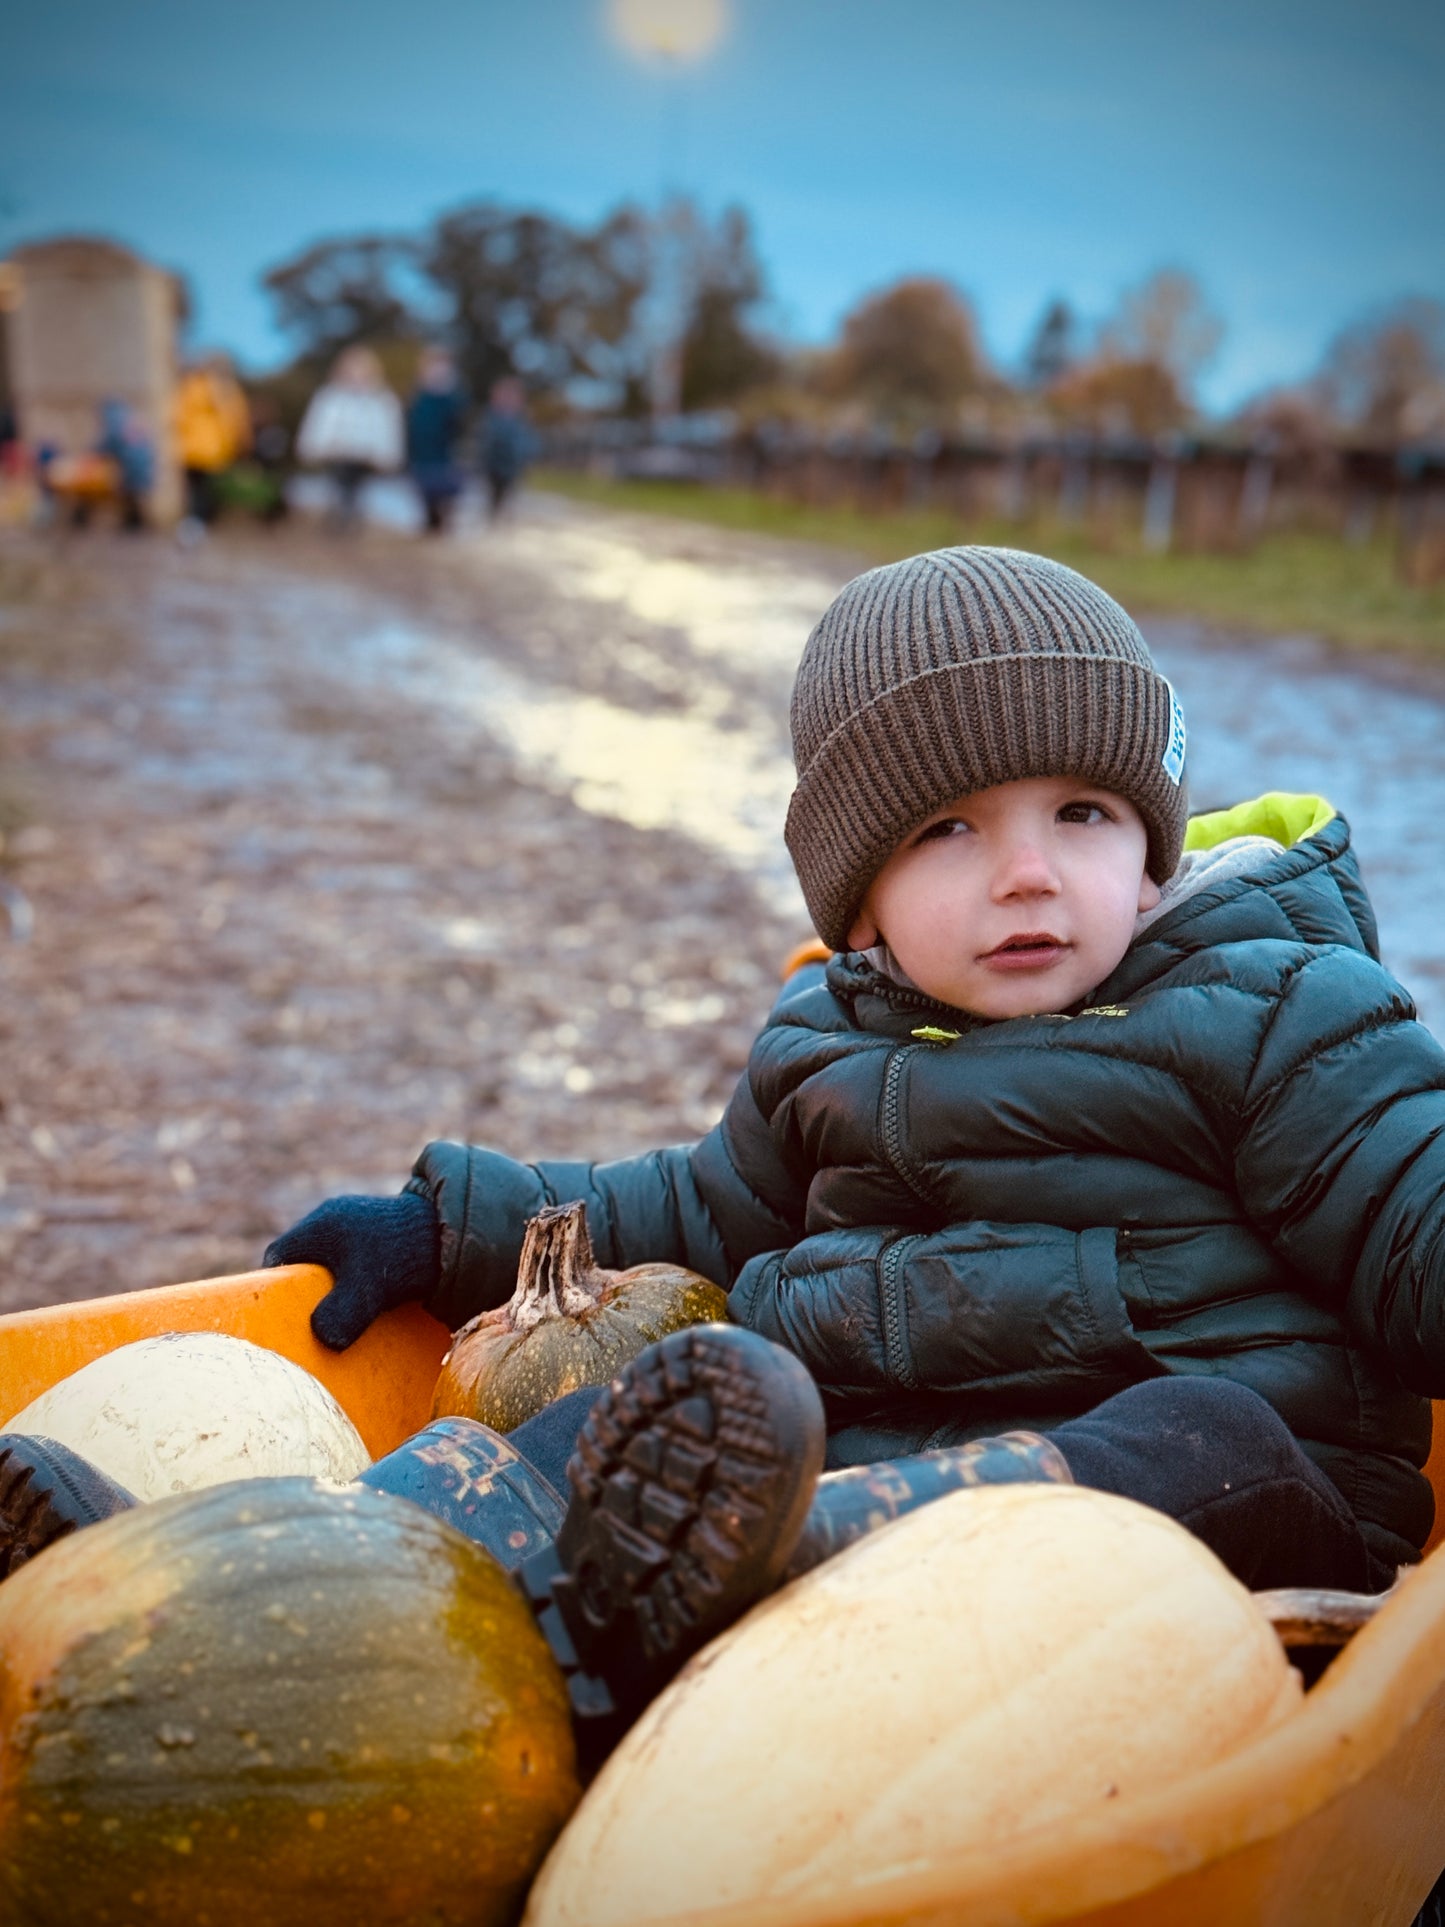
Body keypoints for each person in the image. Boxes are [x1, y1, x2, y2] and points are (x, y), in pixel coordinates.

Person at [296, 346, 404, 532]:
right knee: (339, 487)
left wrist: (387, 455)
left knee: (357, 491)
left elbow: (388, 431)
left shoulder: (381, 399)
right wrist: (313, 447)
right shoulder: (330, 397)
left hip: (365, 457)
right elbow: (318, 425)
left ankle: (350, 521)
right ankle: (339, 520)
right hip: (337, 454)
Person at [172, 353, 252, 540]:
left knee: (196, 488)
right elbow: (236, 419)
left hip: (191, 448)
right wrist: (242, 442)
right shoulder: (226, 389)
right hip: (215, 449)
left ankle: (195, 522)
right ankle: (199, 522)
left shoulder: (192, 386)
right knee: (207, 489)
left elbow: (179, 417)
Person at [406, 347, 465, 534]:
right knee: (427, 494)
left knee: (445, 493)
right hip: (423, 454)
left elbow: (460, 427)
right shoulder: (418, 397)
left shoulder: (455, 397)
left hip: (446, 455)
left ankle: (443, 524)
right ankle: (431, 524)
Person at [478, 375, 533, 519]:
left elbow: (526, 443)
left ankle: (502, 520)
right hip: (494, 466)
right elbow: (485, 443)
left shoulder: (521, 420)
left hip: (512, 467)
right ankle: (494, 518)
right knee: (494, 498)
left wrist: (523, 459)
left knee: (508, 498)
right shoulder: (490, 418)